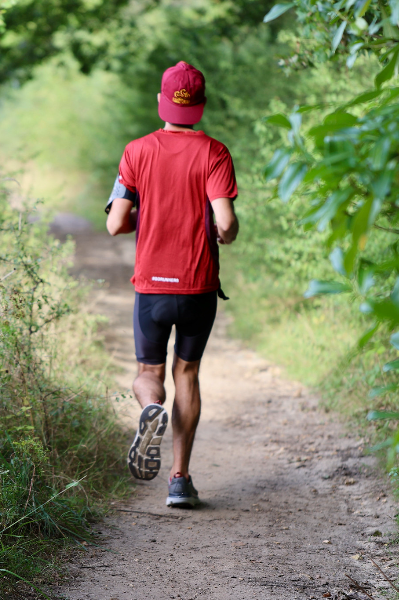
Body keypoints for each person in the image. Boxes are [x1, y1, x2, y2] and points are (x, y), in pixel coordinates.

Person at [105, 61, 239, 508]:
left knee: (149, 374)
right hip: (198, 287)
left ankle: (149, 408)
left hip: (152, 288)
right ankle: (179, 479)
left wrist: (144, 219)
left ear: (161, 101)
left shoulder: (137, 151)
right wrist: (222, 232)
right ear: (200, 105)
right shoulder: (215, 153)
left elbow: (114, 224)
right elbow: (226, 222)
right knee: (188, 373)